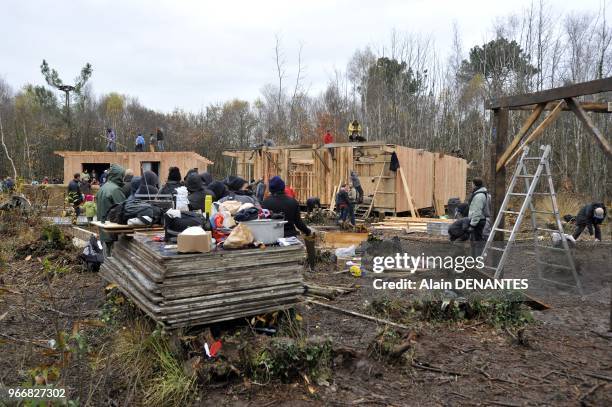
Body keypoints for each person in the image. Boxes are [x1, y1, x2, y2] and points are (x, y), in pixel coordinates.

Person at [96, 164, 126, 255]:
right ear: (119, 176)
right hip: (112, 230)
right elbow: (124, 209)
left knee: (106, 256)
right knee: (113, 258)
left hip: (103, 227)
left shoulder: (103, 187)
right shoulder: (115, 190)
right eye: (122, 176)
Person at [467, 177, 490, 243]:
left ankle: (478, 253)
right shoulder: (484, 193)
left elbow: (477, 211)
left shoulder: (479, 196)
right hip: (480, 220)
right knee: (478, 241)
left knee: (477, 242)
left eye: (472, 184)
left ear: (474, 184)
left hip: (478, 221)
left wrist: (472, 225)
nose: (471, 185)